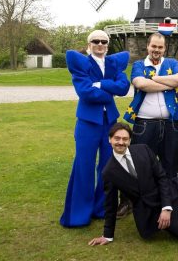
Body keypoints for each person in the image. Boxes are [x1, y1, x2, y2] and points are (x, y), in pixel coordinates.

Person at [88, 122, 178, 246]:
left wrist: (167, 207)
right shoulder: (109, 172)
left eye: (125, 139)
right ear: (109, 139)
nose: (121, 142)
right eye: (117, 138)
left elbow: (162, 177)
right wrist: (107, 235)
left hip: (169, 190)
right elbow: (110, 204)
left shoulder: (143, 149)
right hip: (152, 210)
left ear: (130, 140)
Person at [59, 30, 130, 227]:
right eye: (95, 41)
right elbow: (85, 92)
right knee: (84, 166)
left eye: (103, 41)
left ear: (108, 44)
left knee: (108, 167)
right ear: (89, 44)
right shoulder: (82, 64)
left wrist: (101, 84)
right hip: (88, 122)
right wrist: (109, 91)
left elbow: (123, 87)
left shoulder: (114, 64)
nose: (100, 44)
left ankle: (102, 209)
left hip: (110, 123)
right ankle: (79, 214)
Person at [118, 32, 178, 218]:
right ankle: (128, 201)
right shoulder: (139, 65)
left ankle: (174, 201)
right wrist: (167, 83)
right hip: (144, 124)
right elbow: (140, 83)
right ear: (147, 46)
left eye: (160, 47)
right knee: (137, 164)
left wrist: (153, 79)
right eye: (153, 46)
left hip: (170, 124)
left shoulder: (171, 63)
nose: (156, 50)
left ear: (165, 48)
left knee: (171, 164)